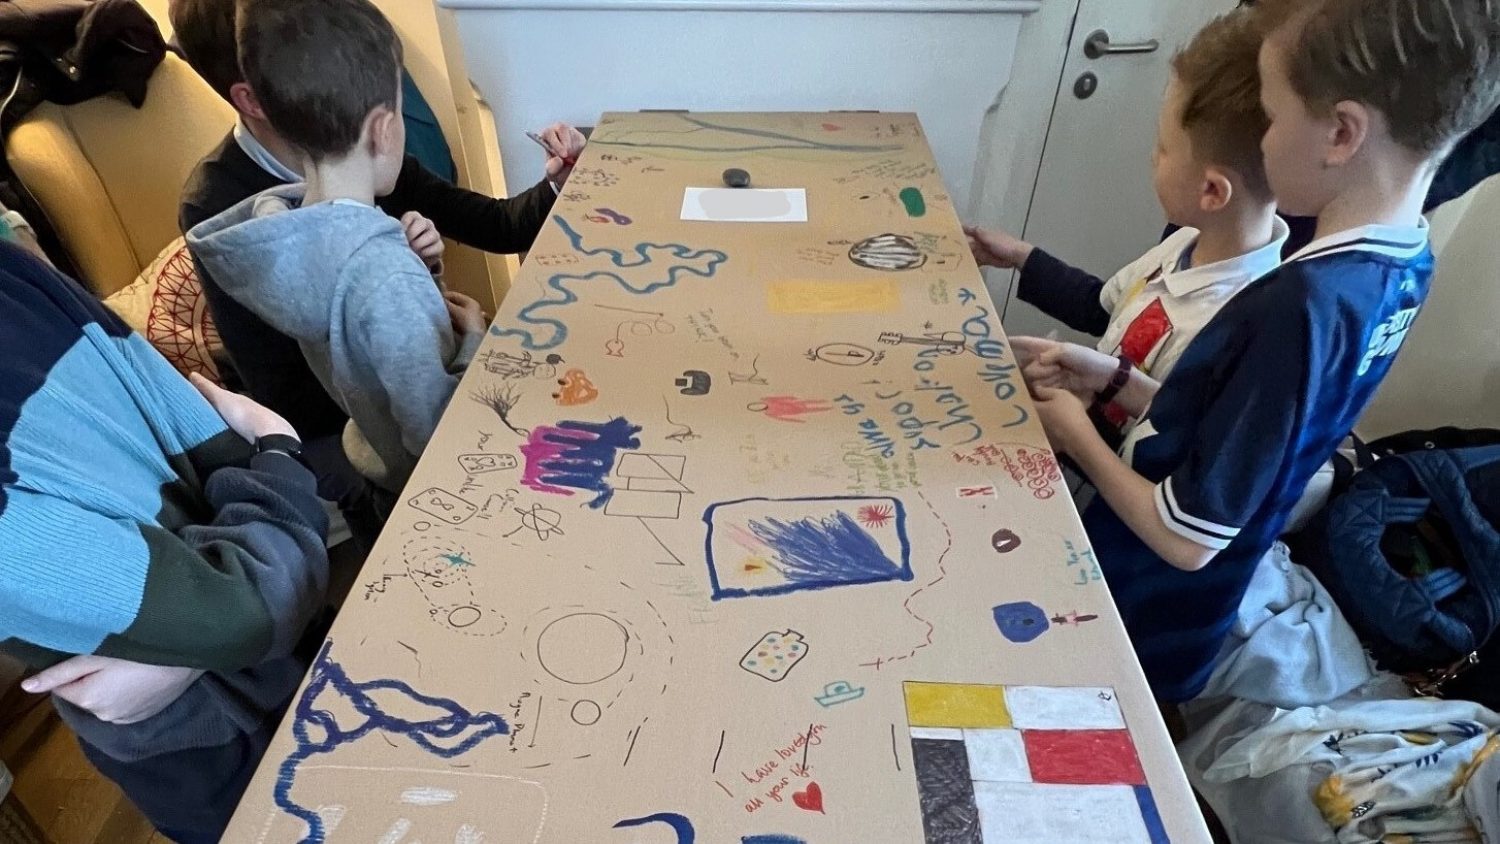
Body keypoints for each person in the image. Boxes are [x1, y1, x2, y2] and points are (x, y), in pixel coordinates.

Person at [1015, 0, 1500, 703]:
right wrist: (1120, 378)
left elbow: (1187, 538)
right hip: (1175, 585)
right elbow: (1249, 425)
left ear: (1340, 134)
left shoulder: (1297, 306)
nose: (1261, 143)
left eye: (1270, 117)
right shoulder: (1404, 262)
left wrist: (1073, 433)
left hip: (1143, 601)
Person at [170, 0, 585, 524]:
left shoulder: (282, 215)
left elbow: (349, 318)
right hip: (418, 476)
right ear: (384, 127)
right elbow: (443, 434)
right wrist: (468, 336)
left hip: (375, 449)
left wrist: (416, 276)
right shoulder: (233, 198)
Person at [0, 239, 330, 842]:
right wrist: (279, 450)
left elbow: (245, 599)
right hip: (210, 750)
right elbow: (252, 608)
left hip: (290, 664)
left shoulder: (14, 269)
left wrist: (192, 644)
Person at [968, 7, 1288, 415]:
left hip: (1091, 446)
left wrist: (1071, 419)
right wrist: (1021, 257)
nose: (1152, 157)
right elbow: (1102, 309)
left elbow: (1162, 434)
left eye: (1163, 148)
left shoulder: (1232, 325)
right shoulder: (1185, 243)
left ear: (1211, 190)